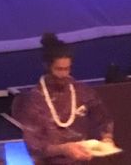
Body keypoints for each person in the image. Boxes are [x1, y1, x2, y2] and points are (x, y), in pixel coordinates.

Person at [11, 33, 115, 163]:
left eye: (67, 69)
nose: (63, 74)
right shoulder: (33, 99)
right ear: (47, 67)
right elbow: (34, 145)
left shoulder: (82, 91)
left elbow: (102, 118)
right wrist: (63, 149)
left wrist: (107, 138)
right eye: (59, 69)